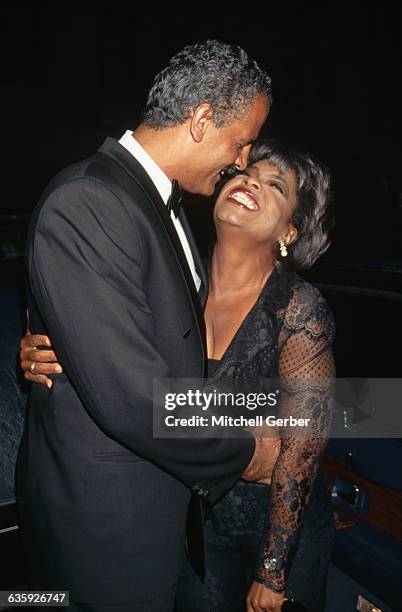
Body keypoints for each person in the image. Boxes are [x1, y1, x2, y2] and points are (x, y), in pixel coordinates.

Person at [17, 40, 278, 612]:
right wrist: (245, 453)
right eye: (242, 141)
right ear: (202, 118)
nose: (242, 159)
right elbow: (134, 395)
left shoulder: (166, 207)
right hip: (101, 533)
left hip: (157, 517)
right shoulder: (89, 200)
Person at [22, 139, 335, 612]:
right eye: (247, 172)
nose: (249, 180)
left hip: (269, 542)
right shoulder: (179, 283)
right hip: (186, 533)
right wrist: (44, 349)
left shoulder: (298, 308)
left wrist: (271, 572)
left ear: (290, 230)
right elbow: (123, 371)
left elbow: (301, 450)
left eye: (275, 185)